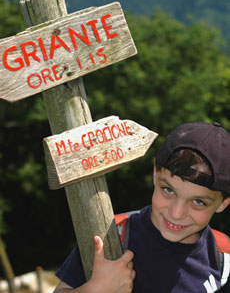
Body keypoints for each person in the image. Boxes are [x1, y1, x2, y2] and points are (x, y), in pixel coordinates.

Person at [54, 122, 230, 293]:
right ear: (155, 173)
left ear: (223, 203)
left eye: (198, 202)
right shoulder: (110, 234)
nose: (176, 213)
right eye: (168, 190)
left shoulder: (223, 256)